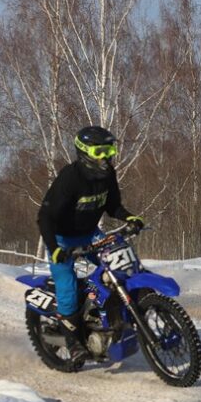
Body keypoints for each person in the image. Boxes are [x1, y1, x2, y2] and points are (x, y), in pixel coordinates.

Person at [37, 126, 145, 363]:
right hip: (62, 240)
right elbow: (45, 217)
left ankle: (117, 315)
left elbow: (113, 206)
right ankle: (73, 343)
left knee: (117, 267)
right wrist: (55, 248)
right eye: (100, 152)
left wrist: (129, 217)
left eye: (110, 151)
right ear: (85, 152)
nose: (106, 157)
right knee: (68, 288)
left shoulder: (108, 174)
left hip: (90, 235)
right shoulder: (69, 178)